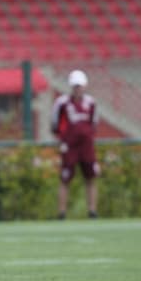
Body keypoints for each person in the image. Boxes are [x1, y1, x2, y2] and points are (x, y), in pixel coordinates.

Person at [51, 69, 100, 220]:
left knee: (90, 177)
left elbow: (94, 123)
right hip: (69, 146)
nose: (77, 89)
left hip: (86, 146)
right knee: (65, 178)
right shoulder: (62, 103)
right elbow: (55, 124)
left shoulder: (91, 103)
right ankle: (62, 212)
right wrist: (62, 140)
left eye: (80, 86)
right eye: (75, 86)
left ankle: (92, 211)